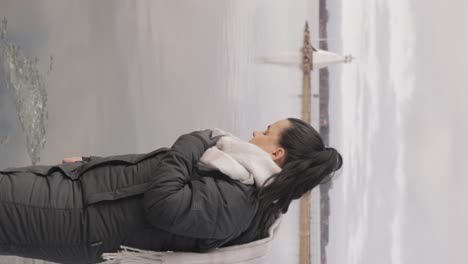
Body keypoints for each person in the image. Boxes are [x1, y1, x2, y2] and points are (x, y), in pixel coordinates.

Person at [0, 117, 342, 263]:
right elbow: (149, 174)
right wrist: (91, 162)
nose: (255, 130)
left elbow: (163, 203)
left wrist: (195, 140)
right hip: (78, 195)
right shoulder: (236, 174)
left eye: (267, 130)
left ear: (275, 153)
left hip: (75, 218)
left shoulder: (240, 205)